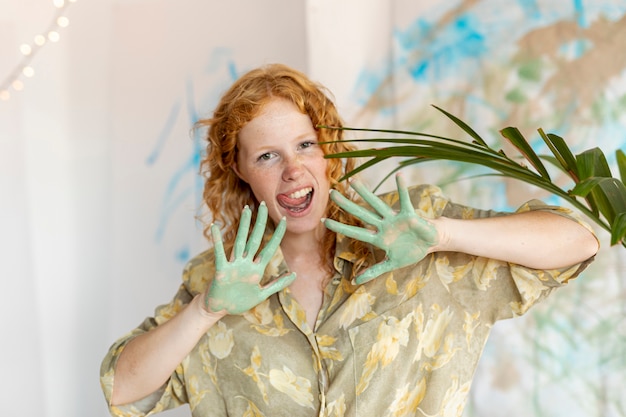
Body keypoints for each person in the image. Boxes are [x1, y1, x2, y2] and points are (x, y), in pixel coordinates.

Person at [100, 63, 599, 417]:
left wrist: (441, 235)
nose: (293, 170)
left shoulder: (420, 238)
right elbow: (123, 388)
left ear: (329, 150)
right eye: (268, 157)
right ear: (240, 169)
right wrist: (205, 310)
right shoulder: (216, 278)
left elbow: (579, 240)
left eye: (305, 145)